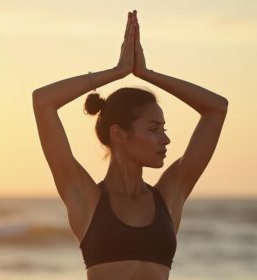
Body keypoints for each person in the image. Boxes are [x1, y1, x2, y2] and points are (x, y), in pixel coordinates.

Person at [32, 10, 228, 280]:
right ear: (119, 134)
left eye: (164, 129)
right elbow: (43, 101)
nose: (166, 138)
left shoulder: (170, 196)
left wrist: (146, 74)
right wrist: (118, 72)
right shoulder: (86, 198)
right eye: (153, 128)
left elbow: (217, 109)